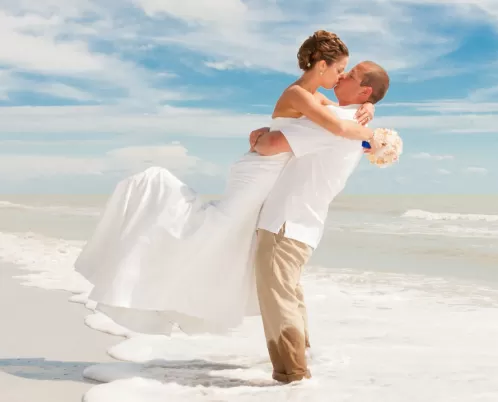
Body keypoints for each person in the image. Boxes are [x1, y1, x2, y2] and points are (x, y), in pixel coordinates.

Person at [73, 30, 383, 336]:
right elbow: (337, 127)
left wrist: (369, 107)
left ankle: (178, 288)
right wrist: (372, 134)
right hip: (258, 170)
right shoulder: (298, 94)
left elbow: (340, 112)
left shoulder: (312, 96)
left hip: (263, 171)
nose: (340, 78)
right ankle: (145, 263)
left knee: (225, 235)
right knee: (215, 227)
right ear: (321, 65)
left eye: (346, 73)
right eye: (340, 70)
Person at [245, 61, 390, 383]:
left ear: (364, 89)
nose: (341, 76)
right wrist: (368, 105)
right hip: (303, 224)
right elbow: (321, 102)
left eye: (350, 75)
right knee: (290, 297)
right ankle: (301, 369)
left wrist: (257, 139)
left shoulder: (337, 121)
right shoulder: (347, 118)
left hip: (285, 223)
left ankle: (292, 377)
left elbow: (271, 146)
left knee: (278, 301)